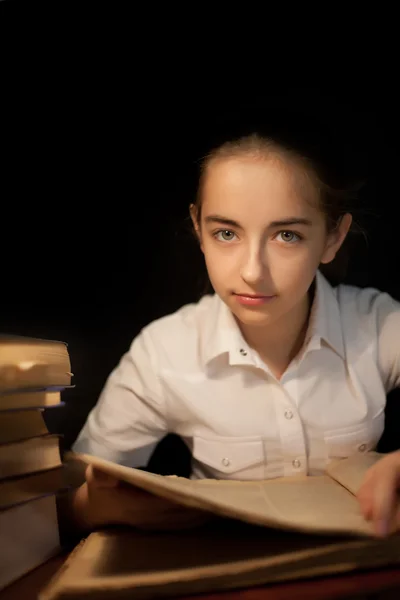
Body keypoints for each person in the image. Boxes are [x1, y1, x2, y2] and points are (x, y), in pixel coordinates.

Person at [68, 115, 400, 539]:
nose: (252, 272)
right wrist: (92, 507)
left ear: (333, 238)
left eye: (287, 236)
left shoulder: (379, 325)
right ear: (198, 230)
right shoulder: (164, 352)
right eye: (226, 233)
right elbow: (67, 496)